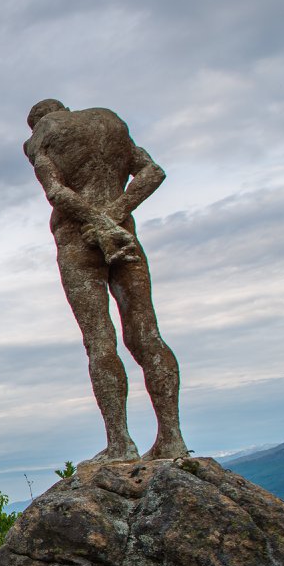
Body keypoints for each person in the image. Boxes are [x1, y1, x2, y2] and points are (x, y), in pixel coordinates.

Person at [24, 98, 188, 462]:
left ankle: (120, 443)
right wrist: (114, 215)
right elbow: (152, 172)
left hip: (77, 241)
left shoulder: (41, 138)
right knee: (146, 334)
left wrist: (95, 223)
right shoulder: (110, 124)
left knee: (100, 341)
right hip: (124, 236)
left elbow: (56, 191)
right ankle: (172, 439)